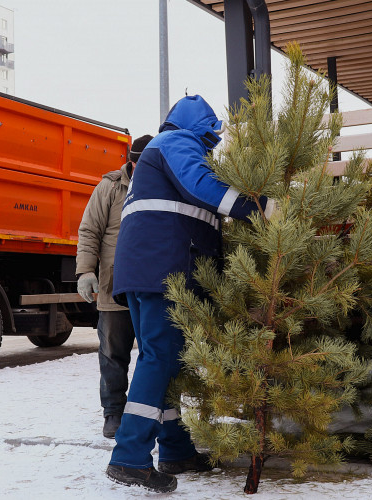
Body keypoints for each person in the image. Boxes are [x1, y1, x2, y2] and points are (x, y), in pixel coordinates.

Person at [105, 95, 274, 493]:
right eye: (210, 139)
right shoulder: (177, 142)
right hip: (162, 273)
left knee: (167, 363)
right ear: (200, 128)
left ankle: (176, 448)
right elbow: (202, 185)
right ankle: (129, 457)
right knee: (159, 358)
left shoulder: (160, 153)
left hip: (149, 270)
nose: (212, 148)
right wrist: (263, 208)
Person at [76, 134, 154, 439]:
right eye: (136, 162)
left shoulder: (160, 185)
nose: (140, 168)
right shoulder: (109, 188)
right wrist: (85, 271)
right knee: (112, 354)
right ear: (130, 161)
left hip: (148, 286)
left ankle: (146, 412)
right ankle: (113, 413)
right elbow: (89, 230)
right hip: (113, 285)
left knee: (152, 354)